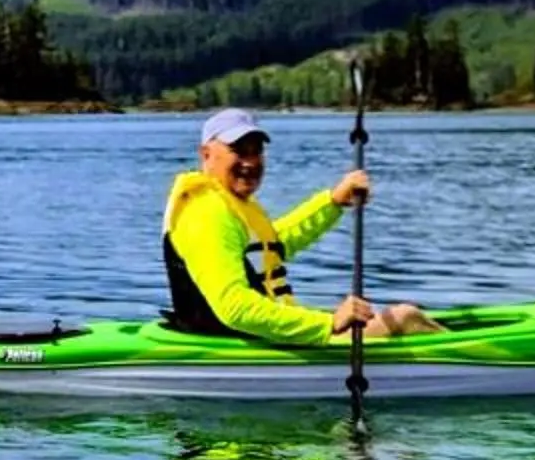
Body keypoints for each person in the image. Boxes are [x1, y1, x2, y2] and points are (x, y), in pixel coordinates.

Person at [163, 107, 442, 344]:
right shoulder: (205, 213)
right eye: (238, 151)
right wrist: (327, 323)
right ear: (206, 154)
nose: (250, 162)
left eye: (256, 151)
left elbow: (273, 245)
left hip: (255, 339)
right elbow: (235, 307)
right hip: (236, 345)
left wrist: (332, 202)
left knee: (410, 312)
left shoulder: (232, 204)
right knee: (405, 318)